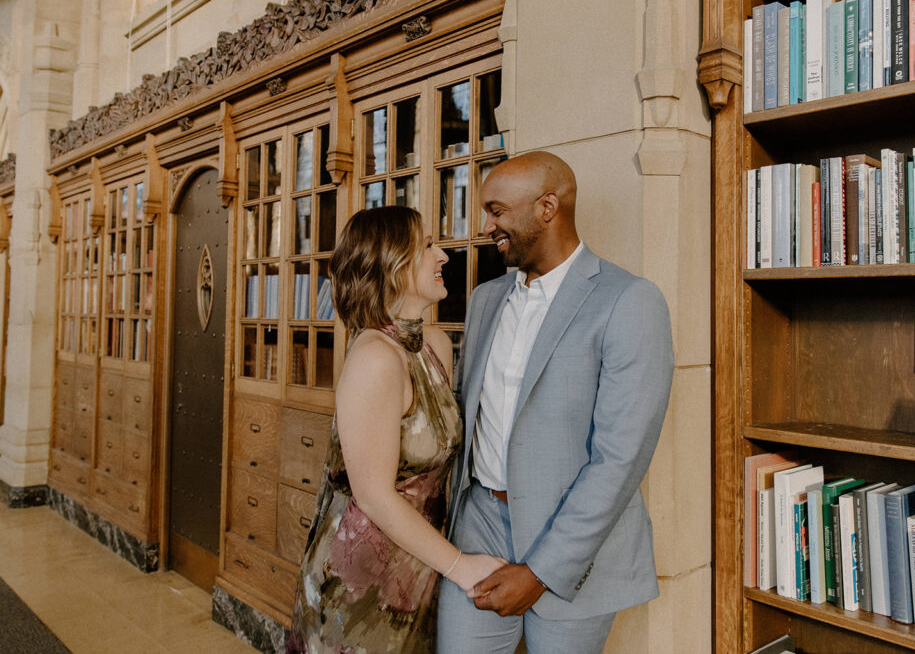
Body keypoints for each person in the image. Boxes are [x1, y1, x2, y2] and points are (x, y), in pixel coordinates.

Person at [437, 152, 674, 653]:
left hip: (575, 546)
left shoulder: (629, 301)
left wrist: (542, 570)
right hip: (478, 524)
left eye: (497, 210)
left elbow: (620, 460)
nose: (486, 227)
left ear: (547, 208)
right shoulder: (484, 299)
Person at [287, 206, 507, 654]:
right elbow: (373, 495)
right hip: (362, 578)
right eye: (426, 245)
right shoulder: (374, 357)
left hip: (419, 566)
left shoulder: (435, 345)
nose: (443, 255)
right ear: (390, 263)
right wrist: (461, 566)